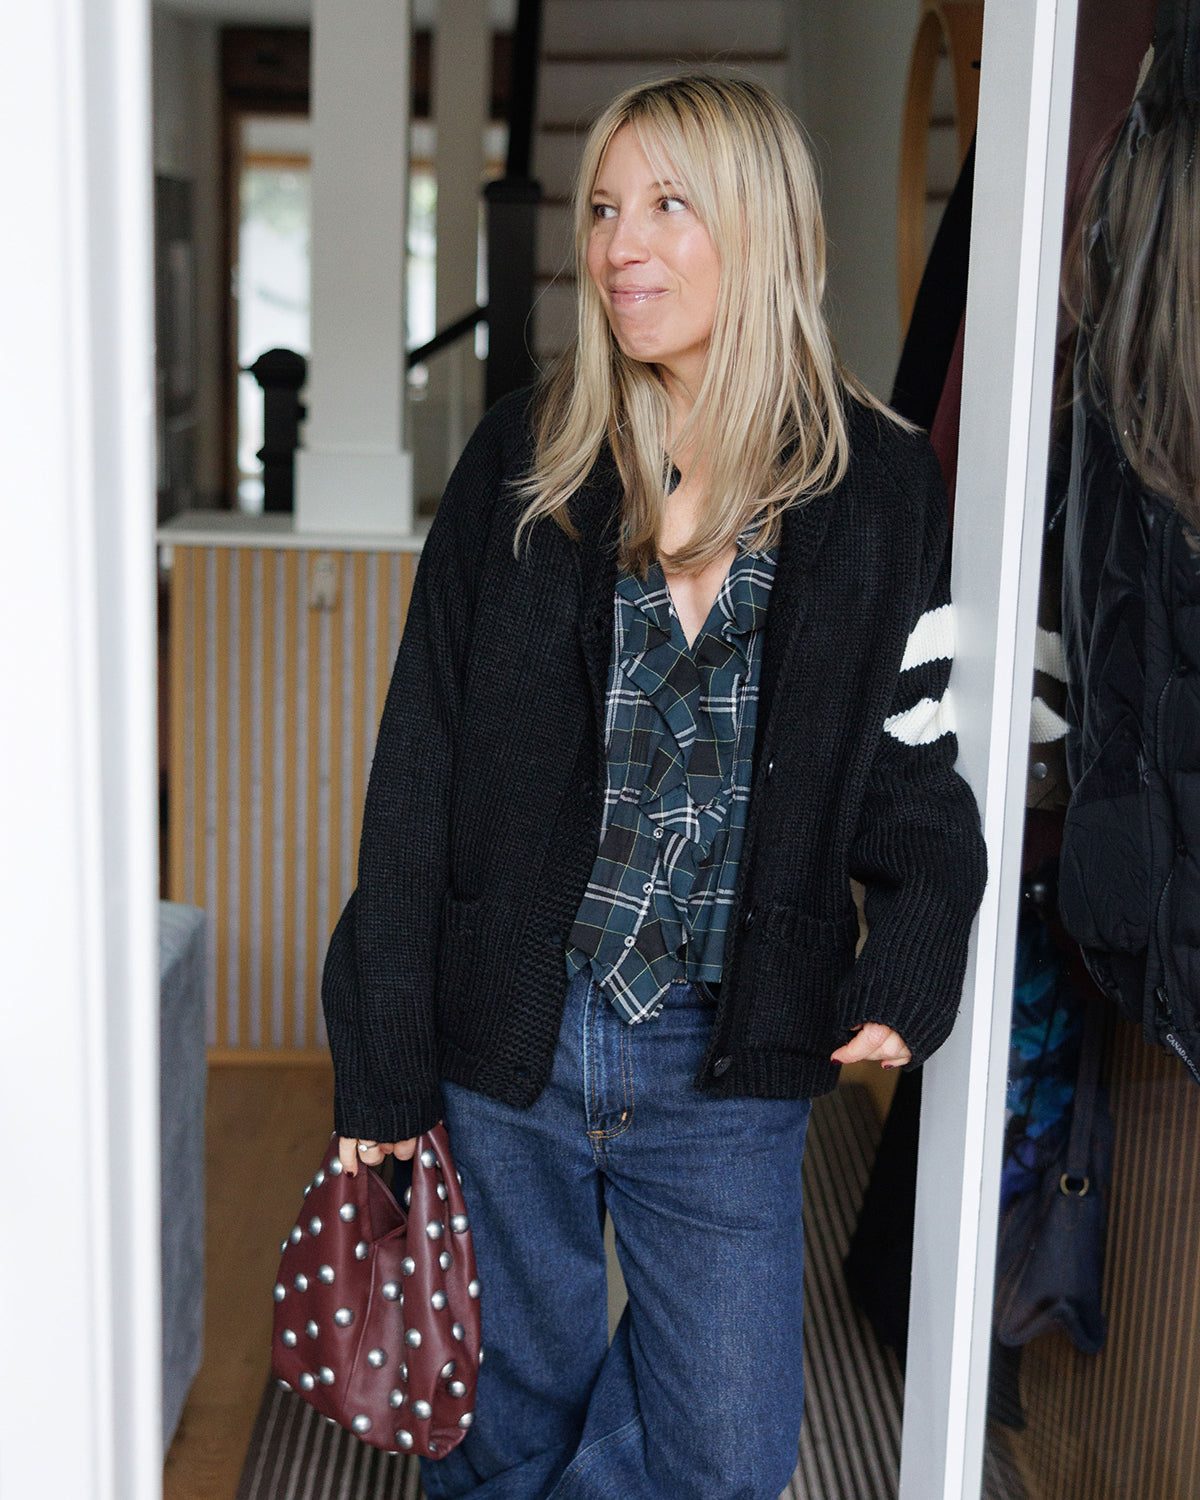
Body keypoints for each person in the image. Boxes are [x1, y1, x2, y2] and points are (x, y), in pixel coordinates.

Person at [321, 73, 986, 1500]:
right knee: (506, 1414)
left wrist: (920, 938)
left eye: (667, 205)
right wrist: (379, 1048)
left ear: (760, 229)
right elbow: (418, 770)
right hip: (511, 1033)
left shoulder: (880, 491)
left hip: (729, 1058)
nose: (621, 243)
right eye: (606, 209)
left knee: (728, 1451)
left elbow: (913, 761)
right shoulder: (526, 459)